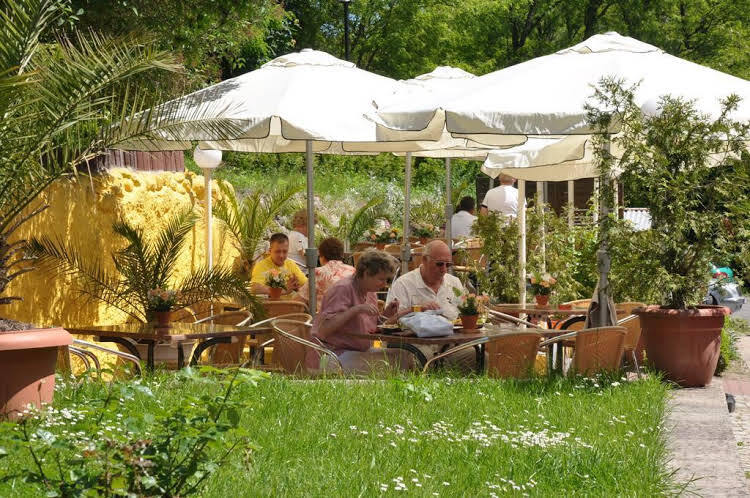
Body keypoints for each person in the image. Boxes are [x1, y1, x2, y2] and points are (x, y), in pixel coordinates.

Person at [312, 250, 413, 373]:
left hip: (356, 351)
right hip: (332, 355)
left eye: (386, 280)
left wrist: (387, 314)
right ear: (366, 273)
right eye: (381, 279)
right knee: (396, 362)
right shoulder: (342, 289)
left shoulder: (370, 292)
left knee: (404, 355)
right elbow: (324, 329)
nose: (384, 284)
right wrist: (356, 309)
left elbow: (373, 329)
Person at [385, 240, 465, 320]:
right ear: (424, 260)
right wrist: (418, 308)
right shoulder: (403, 284)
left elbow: (466, 314)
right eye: (439, 264)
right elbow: (389, 320)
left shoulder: (454, 282)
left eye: (448, 265)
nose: (444, 269)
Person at [299, 237, 355, 311]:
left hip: (328, 317)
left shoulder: (319, 272)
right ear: (342, 254)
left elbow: (299, 301)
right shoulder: (353, 270)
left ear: (322, 256)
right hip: (353, 316)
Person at [250, 233, 307, 297]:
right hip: (271, 303)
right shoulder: (261, 265)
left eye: (285, 251)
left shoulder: (291, 264)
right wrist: (283, 290)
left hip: (291, 303)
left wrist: (299, 288)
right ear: (270, 251)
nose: (281, 255)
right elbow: (255, 288)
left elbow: (307, 284)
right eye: (277, 251)